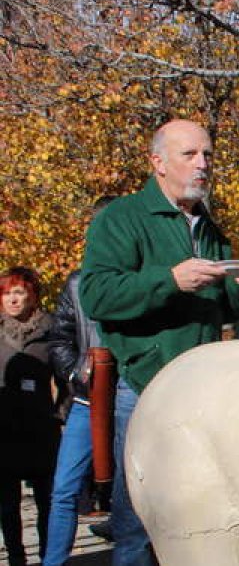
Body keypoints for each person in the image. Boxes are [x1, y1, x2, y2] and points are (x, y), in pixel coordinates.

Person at [80, 119, 239, 566]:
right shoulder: (121, 218)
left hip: (201, 392)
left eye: (208, 155)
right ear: (157, 162)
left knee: (202, 514)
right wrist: (169, 280)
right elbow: (97, 295)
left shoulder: (210, 228)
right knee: (138, 523)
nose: (203, 165)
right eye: (190, 155)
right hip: (144, 387)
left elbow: (225, 310)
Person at [43, 197, 116, 566]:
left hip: (132, 398)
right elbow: (59, 338)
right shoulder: (77, 283)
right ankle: (54, 561)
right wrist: (75, 373)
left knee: (135, 493)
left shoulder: (146, 278)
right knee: (65, 489)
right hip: (87, 403)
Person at [0, 267, 59, 566]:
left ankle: (49, 557)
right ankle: (15, 559)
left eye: (19, 292)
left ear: (33, 295)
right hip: (3, 431)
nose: (13, 299)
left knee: (48, 503)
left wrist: (59, 415)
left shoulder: (51, 330)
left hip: (41, 431)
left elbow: (66, 381)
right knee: (7, 506)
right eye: (7, 292)